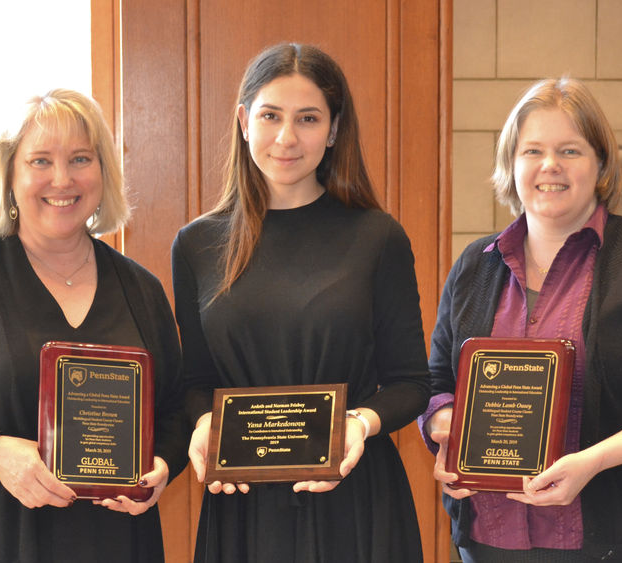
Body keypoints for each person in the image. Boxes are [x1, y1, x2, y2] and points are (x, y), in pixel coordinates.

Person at [0, 89, 188, 562]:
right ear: (10, 175)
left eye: (80, 158)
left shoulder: (141, 289)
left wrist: (163, 463)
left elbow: (176, 411)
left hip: (115, 544)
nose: (62, 179)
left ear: (103, 171)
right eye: (40, 161)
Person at [419, 77, 622, 562]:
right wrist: (448, 430)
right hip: (488, 538)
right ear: (511, 164)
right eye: (532, 150)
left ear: (600, 164)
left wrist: (591, 462)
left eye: (570, 151)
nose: (549, 165)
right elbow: (435, 381)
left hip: (614, 540)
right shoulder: (475, 264)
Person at [171, 43, 430, 563]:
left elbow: (410, 384)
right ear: (244, 121)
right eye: (270, 116)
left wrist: (358, 424)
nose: (287, 138)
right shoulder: (197, 245)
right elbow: (196, 384)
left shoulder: (378, 237)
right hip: (242, 509)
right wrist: (204, 427)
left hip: (355, 502)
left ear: (333, 130)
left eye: (308, 118)